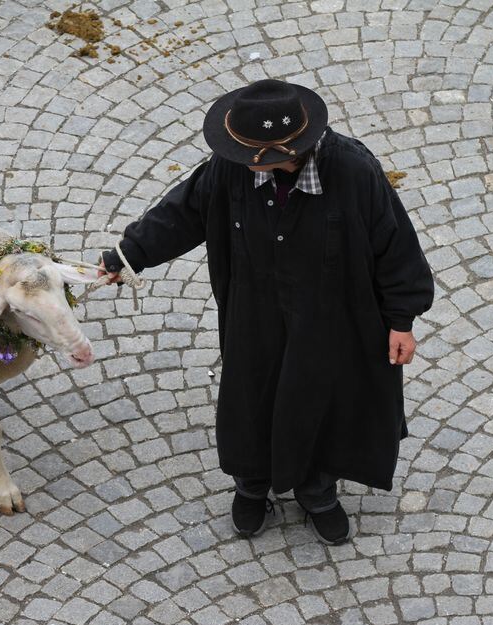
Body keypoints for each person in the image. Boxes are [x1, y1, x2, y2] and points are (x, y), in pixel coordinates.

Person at [99, 79, 434, 545]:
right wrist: (128, 253)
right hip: (253, 308)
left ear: (293, 148)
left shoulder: (355, 171)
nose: (244, 163)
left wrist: (402, 320)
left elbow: (395, 246)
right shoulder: (232, 168)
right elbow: (185, 210)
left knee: (320, 398)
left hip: (329, 316)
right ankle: (251, 485)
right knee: (251, 398)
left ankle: (317, 490)